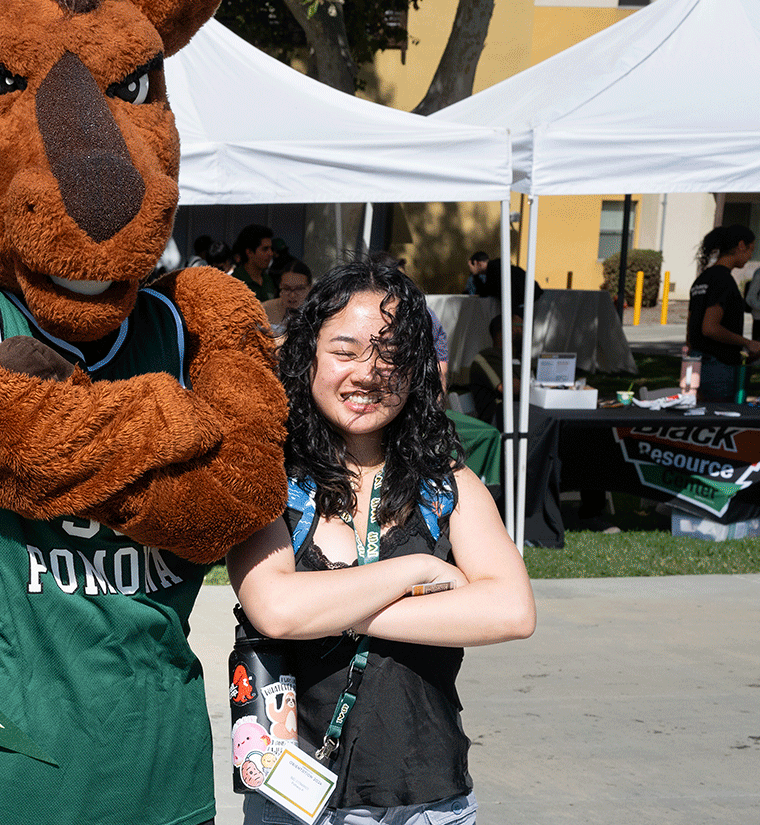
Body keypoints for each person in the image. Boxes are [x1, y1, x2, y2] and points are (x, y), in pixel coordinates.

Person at [228, 257, 534, 825]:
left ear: (417, 369)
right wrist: (415, 569)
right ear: (307, 357)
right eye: (344, 352)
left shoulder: (448, 484)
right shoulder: (268, 481)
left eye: (391, 354)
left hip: (429, 801)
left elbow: (511, 610)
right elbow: (275, 609)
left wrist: (337, 608)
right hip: (293, 801)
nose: (367, 374)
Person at [686, 224, 760, 403]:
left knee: (702, 417)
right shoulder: (723, 280)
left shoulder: (702, 279)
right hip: (717, 366)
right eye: (751, 249)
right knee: (719, 419)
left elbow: (691, 330)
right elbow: (710, 328)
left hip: (697, 362)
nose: (750, 256)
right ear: (741, 245)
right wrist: (747, 343)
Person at [263, 259, 314, 339]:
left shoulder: (317, 313)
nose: (292, 295)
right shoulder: (265, 310)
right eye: (287, 289)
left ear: (310, 288)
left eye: (299, 289)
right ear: (280, 287)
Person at [232, 224, 279, 301]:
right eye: (265, 249)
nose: (270, 253)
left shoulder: (268, 281)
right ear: (249, 252)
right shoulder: (234, 282)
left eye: (271, 249)